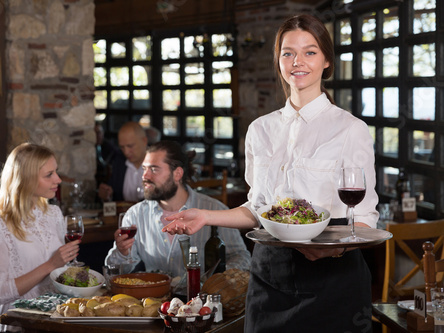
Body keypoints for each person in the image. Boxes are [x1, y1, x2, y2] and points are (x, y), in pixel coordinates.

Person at [163, 14, 379, 333]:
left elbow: (363, 217)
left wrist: (335, 247)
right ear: (278, 61)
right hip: (269, 278)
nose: (297, 61)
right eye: (287, 52)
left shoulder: (350, 130)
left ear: (327, 61)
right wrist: (207, 217)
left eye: (310, 51)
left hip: (332, 279)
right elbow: (259, 208)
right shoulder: (260, 130)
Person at [105, 141, 251, 283]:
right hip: (155, 302)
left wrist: (218, 279)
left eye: (154, 169)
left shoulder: (214, 210)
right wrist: (122, 253)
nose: (145, 176)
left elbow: (242, 257)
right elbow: (112, 273)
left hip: (202, 302)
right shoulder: (135, 215)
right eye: (144, 169)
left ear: (177, 174)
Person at [0, 143, 81, 332]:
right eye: (49, 175)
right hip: (20, 323)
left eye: (55, 172)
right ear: (25, 179)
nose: (58, 179)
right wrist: (51, 264)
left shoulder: (54, 213)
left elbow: (60, 273)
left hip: (57, 317)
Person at [98, 122, 148, 202]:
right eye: (122, 147)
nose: (126, 152)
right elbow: (113, 197)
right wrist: (107, 195)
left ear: (144, 141)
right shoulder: (119, 162)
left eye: (130, 146)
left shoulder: (158, 165)